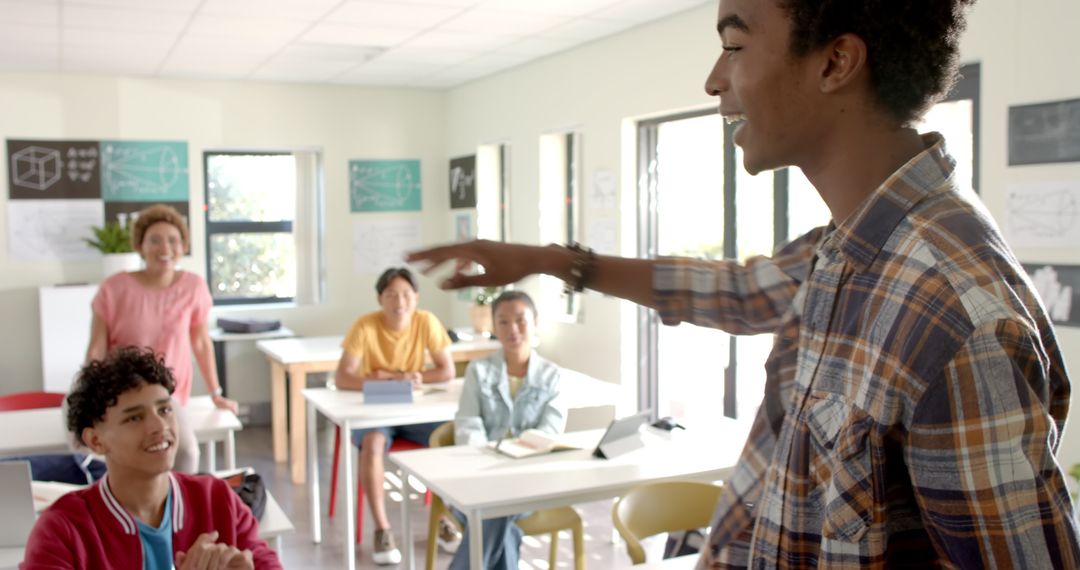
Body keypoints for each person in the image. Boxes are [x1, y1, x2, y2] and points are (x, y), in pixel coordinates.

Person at [407, 0, 1080, 567]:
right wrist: (546, 260)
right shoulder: (850, 247)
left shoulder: (958, 317)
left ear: (835, 62)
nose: (712, 80)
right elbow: (733, 291)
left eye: (733, 44)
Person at [21, 346, 282, 570]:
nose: (160, 426)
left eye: (165, 409)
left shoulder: (218, 500)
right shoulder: (61, 530)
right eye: (134, 417)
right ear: (95, 441)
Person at [85, 204, 238, 474]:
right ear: (140, 245)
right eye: (154, 240)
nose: (164, 248)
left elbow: (201, 343)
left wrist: (216, 394)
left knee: (187, 452)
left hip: (169, 394)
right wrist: (89, 395)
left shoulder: (193, 286)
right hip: (122, 391)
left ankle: (177, 510)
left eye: (173, 240)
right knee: (119, 457)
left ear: (182, 247)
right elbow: (97, 347)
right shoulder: (114, 288)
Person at [334, 267, 456, 565]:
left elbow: (447, 371)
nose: (399, 301)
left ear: (416, 297)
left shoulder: (426, 321)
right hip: (376, 411)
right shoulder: (365, 325)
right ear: (380, 299)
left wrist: (414, 376)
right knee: (373, 445)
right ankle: (382, 529)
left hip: (415, 410)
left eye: (405, 294)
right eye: (390, 295)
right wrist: (383, 379)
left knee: (449, 440)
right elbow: (343, 378)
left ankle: (446, 519)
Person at [450, 290, 565, 570]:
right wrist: (490, 461)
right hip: (478, 476)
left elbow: (550, 432)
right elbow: (467, 425)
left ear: (535, 323)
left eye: (520, 320)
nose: (512, 329)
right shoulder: (478, 371)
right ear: (493, 326)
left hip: (530, 479)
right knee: (502, 520)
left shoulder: (552, 375)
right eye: (503, 322)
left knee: (494, 511)